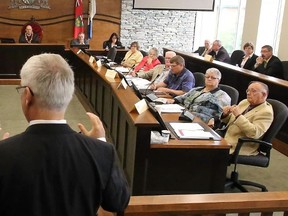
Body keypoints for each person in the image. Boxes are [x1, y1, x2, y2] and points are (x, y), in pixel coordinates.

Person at [0, 53, 130, 215]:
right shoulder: (102, 151)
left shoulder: (4, 153)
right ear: (69, 95)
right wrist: (99, 145)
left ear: (27, 95)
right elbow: (118, 202)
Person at [220, 81, 273, 155]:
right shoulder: (245, 102)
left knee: (206, 151)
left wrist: (238, 116)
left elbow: (254, 133)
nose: (248, 93)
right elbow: (230, 121)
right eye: (248, 90)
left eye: (253, 91)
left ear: (264, 95)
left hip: (239, 144)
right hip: (226, 134)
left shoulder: (266, 112)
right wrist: (225, 114)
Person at [166, 68, 231, 127]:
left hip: (201, 123)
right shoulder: (196, 90)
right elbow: (183, 97)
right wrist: (173, 100)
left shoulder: (222, 96)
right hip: (184, 117)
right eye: (207, 77)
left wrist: (214, 119)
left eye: (213, 77)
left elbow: (222, 115)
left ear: (218, 80)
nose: (209, 79)